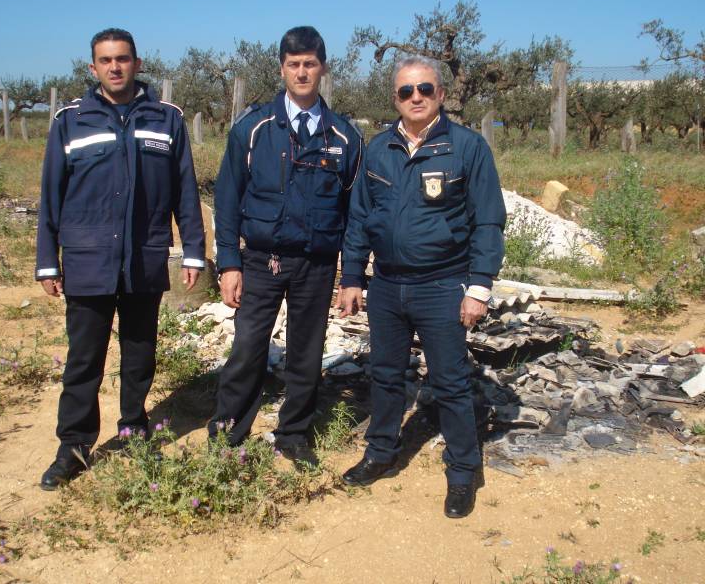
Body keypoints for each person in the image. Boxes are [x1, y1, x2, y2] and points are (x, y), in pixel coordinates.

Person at [35, 28, 205, 490]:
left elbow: (185, 192)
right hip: (89, 261)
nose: (115, 67)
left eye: (123, 59)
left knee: (139, 354)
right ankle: (72, 446)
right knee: (83, 360)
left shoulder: (165, 119)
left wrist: (194, 251)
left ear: (137, 63)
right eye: (105, 60)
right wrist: (47, 261)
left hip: (143, 259)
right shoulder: (70, 120)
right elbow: (51, 196)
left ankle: (133, 428)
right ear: (92, 68)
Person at [336, 55, 505, 517]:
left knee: (450, 383)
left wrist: (479, 287)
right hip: (387, 286)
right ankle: (381, 454)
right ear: (395, 98)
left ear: (441, 95)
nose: (416, 98)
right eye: (406, 91)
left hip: (442, 285)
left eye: (425, 89)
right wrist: (352, 276)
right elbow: (360, 219)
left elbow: (488, 222)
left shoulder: (467, 148)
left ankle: (464, 471)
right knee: (386, 376)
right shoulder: (377, 150)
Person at [210, 26, 363, 467]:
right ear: (282, 69)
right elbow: (227, 201)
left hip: (315, 264)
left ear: (322, 68)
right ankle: (227, 432)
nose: (302, 72)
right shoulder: (253, 129)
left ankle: (294, 435)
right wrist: (229, 263)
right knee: (247, 348)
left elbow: (356, 215)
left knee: (306, 352)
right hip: (261, 261)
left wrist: (350, 274)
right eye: (293, 65)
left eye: (309, 64)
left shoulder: (345, 138)